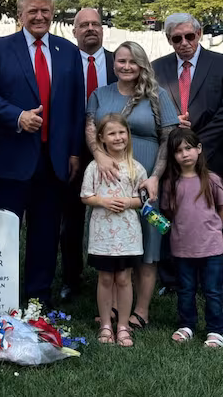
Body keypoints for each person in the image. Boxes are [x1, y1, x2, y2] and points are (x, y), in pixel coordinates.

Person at [0, 0, 85, 306]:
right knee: (6, 232)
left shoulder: (67, 51)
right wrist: (18, 116)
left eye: (45, 10)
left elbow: (76, 106)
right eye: (32, 11)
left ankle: (38, 297)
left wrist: (75, 151)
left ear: (53, 13)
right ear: (20, 15)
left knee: (45, 233)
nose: (39, 16)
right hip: (11, 156)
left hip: (53, 159)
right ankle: (3, 296)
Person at [86, 41, 177, 329]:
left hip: (145, 171)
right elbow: (90, 129)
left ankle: (141, 309)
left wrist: (155, 176)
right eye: (121, 61)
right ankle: (111, 307)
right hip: (108, 175)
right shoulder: (100, 94)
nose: (126, 66)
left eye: (132, 62)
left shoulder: (157, 95)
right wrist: (99, 156)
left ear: (141, 65)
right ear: (114, 64)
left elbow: (168, 137)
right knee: (111, 234)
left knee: (148, 239)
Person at [152, 13, 223, 305]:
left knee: (217, 214)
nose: (184, 43)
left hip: (213, 153)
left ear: (199, 34)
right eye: (177, 38)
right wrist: (176, 139)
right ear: (168, 40)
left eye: (190, 36)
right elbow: (154, 109)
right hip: (174, 155)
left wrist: (196, 143)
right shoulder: (157, 68)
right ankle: (174, 278)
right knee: (175, 212)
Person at [60, 7, 117, 302]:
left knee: (115, 210)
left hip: (114, 149)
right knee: (72, 216)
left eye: (96, 23)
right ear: (74, 31)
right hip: (74, 150)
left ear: (103, 29)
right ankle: (72, 277)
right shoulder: (64, 62)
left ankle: (116, 273)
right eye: (84, 25)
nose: (91, 28)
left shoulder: (117, 61)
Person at [81, 114, 145, 347]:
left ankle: (124, 326)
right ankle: (106, 324)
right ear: (102, 138)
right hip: (103, 235)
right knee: (106, 278)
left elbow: (143, 200)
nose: (118, 137)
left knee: (124, 279)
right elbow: (85, 195)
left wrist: (129, 202)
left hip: (128, 235)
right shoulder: (94, 167)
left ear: (128, 135)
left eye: (121, 132)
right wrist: (103, 201)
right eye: (112, 133)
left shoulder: (136, 167)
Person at [162, 128, 223, 349]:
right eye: (179, 151)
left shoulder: (211, 180)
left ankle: (215, 329)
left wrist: (217, 228)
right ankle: (187, 324)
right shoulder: (171, 184)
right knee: (186, 289)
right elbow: (168, 211)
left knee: (212, 290)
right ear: (173, 156)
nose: (185, 154)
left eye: (189, 148)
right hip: (182, 248)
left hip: (211, 248)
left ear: (199, 149)